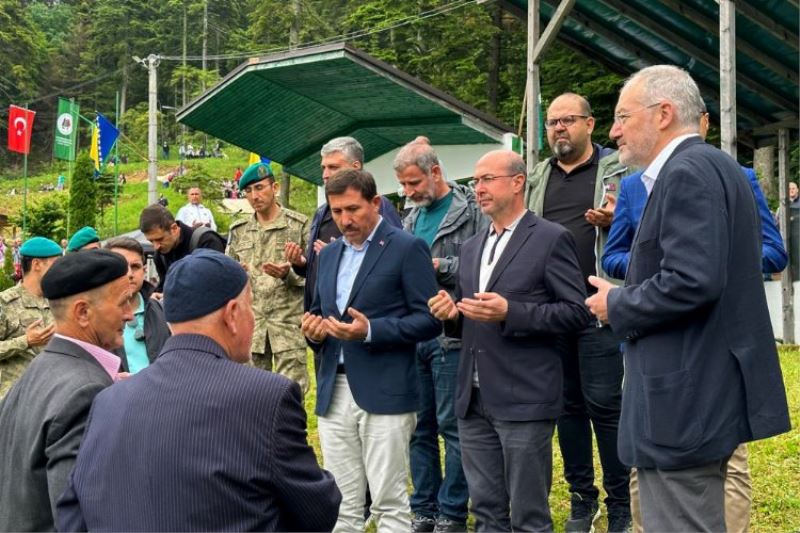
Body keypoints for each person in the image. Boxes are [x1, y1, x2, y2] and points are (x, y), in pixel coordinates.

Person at [585, 64, 790, 532]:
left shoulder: (686, 172)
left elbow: (692, 281)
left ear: (663, 113)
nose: (614, 131)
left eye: (622, 116)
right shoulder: (714, 166)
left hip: (683, 402)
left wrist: (617, 304)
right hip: (696, 392)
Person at [57, 249, 340, 532]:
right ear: (232, 314)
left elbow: (73, 515)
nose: (252, 320)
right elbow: (317, 510)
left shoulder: (109, 400)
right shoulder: (265, 397)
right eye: (250, 306)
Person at [429, 150, 591, 532]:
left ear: (518, 182)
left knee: (529, 515)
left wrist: (512, 312)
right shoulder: (470, 248)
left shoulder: (551, 239)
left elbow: (577, 312)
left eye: (487, 179)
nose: (478, 189)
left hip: (524, 397)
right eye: (475, 181)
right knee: (485, 512)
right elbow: (474, 319)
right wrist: (453, 317)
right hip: (473, 398)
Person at [301, 169, 441, 532]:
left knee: (389, 501)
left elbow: (429, 321)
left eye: (352, 209)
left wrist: (371, 330)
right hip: (334, 390)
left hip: (386, 388)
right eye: (336, 212)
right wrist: (314, 332)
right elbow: (319, 311)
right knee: (342, 504)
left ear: (376, 203)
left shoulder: (407, 248)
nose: (345, 220)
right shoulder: (328, 255)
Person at [526, 92, 631, 532]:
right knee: (566, 407)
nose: (559, 129)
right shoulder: (537, 176)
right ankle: (582, 500)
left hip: (598, 306)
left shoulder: (618, 171)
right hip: (553, 309)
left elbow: (649, 223)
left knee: (606, 405)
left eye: (568, 120)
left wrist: (616, 218)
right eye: (552, 122)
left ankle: (621, 503)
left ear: (590, 124)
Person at [0, 250, 132, 531]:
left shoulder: (37, 372)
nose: (130, 314)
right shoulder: (85, 392)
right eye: (123, 303)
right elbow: (80, 518)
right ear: (83, 312)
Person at [394, 139, 484, 533]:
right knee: (419, 427)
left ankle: (452, 511)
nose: (409, 193)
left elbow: (484, 262)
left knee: (453, 426)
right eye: (404, 186)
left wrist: (439, 265)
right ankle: (423, 509)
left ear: (435, 172)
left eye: (414, 183)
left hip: (452, 335)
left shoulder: (472, 212)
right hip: (415, 334)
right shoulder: (410, 217)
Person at [286, 136, 403, 316]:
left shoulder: (378, 207)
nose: (325, 174)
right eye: (323, 167)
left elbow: (393, 264)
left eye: (333, 167)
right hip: (324, 321)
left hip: (365, 321)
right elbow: (315, 270)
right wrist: (301, 263)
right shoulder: (322, 212)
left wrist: (342, 257)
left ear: (356, 167)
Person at [227, 163, 310, 394]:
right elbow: (227, 274)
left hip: (287, 326)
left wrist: (290, 274)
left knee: (291, 396)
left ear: (274, 187)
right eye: (249, 191)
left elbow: (316, 274)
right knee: (251, 397)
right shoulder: (239, 229)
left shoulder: (299, 225)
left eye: (260, 188)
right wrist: (237, 275)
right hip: (252, 327)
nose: (255, 196)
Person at [0, 237, 61, 397]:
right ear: (36, 265)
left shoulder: (58, 301)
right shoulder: (5, 303)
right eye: (55, 264)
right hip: (14, 400)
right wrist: (25, 341)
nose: (60, 270)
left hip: (51, 397)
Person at [105, 237, 170, 374]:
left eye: (135, 267)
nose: (129, 274)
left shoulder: (164, 311)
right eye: (121, 267)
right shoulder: (95, 320)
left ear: (144, 270)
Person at [139, 204, 226, 293]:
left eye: (159, 239)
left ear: (174, 228)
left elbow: (219, 285)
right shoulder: (160, 256)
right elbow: (164, 288)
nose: (156, 247)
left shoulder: (206, 241)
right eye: (151, 241)